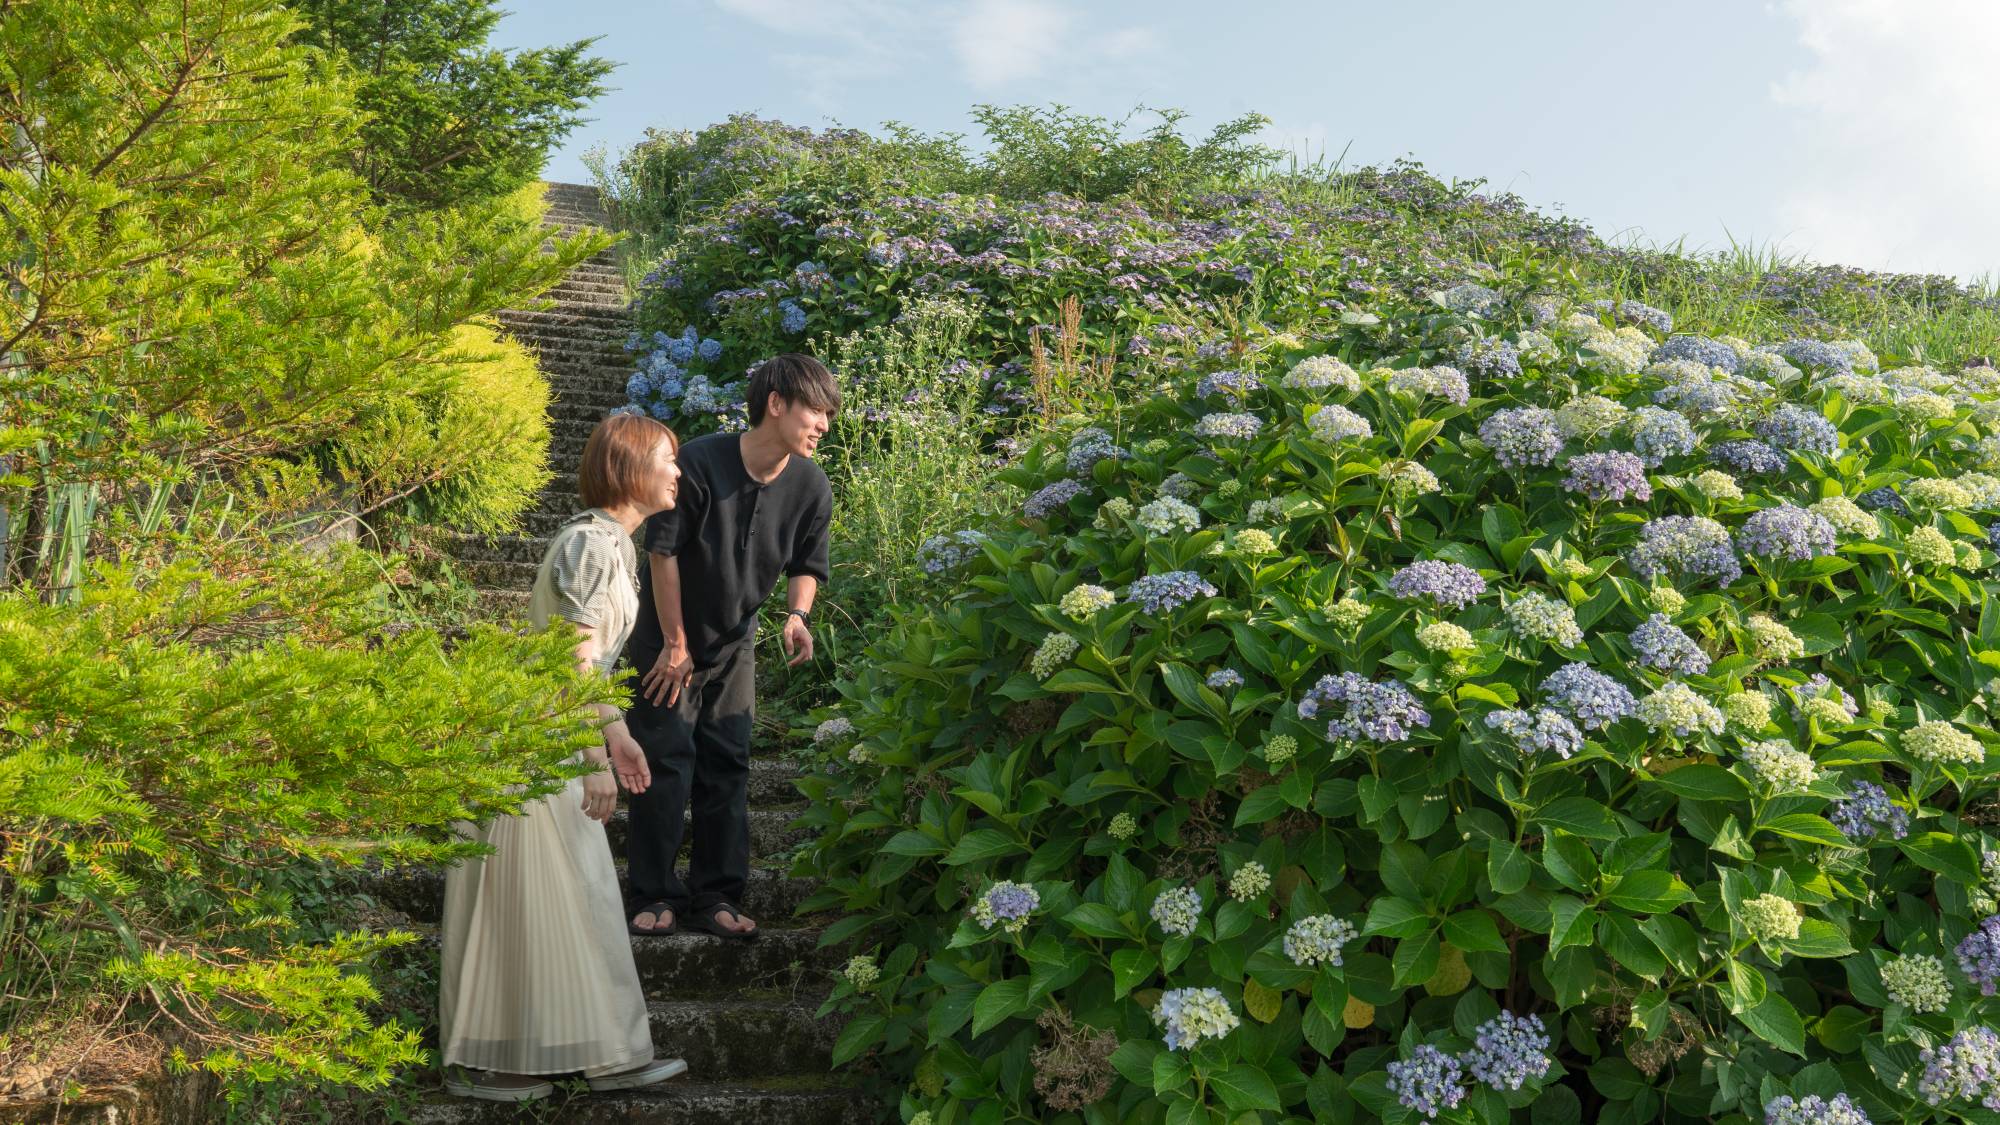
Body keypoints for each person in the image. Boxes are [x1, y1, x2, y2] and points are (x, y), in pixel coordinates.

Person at [437, 412, 690, 1103]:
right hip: (535, 742)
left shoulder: (610, 544)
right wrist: (599, 749)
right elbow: (569, 659)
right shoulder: (592, 544)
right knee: (544, 902)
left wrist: (617, 732)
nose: (678, 470)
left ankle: (590, 1054)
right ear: (629, 466)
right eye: (667, 458)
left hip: (545, 734)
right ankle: (504, 1063)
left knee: (562, 902)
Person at [622, 353, 838, 940]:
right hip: (666, 641)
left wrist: (798, 616)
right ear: (776, 404)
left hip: (733, 644)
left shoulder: (811, 484)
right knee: (665, 760)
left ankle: (716, 895)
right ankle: (655, 894)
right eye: (815, 410)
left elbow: (806, 563)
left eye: (827, 415)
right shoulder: (700, 461)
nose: (824, 424)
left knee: (728, 764)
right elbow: (661, 551)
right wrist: (674, 643)